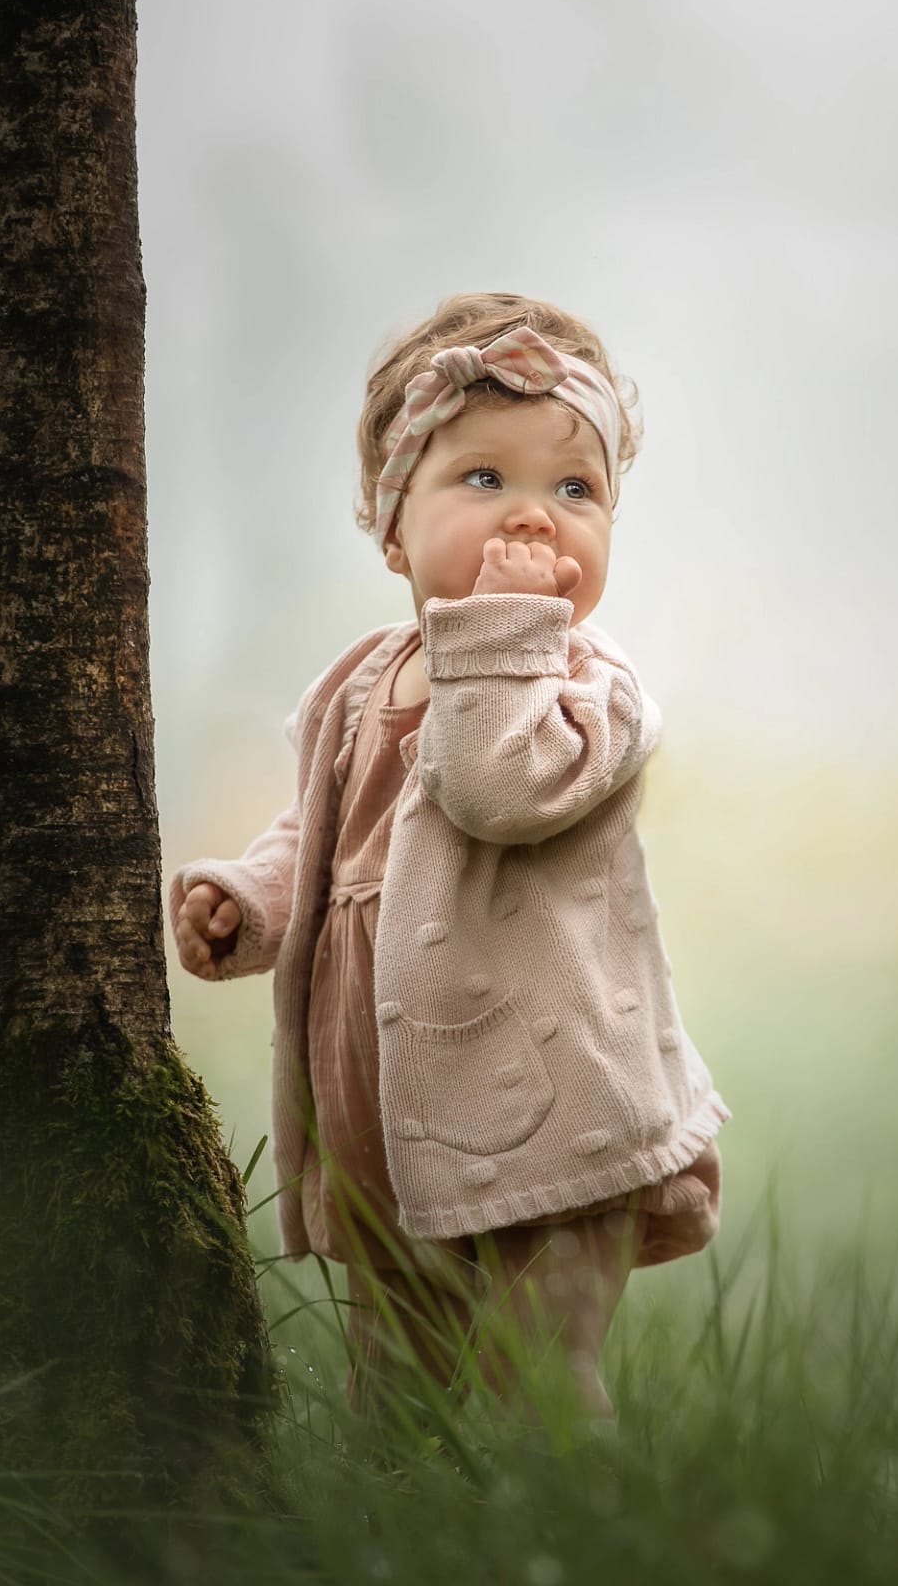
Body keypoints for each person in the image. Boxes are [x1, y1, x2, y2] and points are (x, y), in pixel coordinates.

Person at [170, 291, 731, 1435]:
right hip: (390, 1103)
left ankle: (585, 1571)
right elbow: (328, 831)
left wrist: (502, 633)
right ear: (391, 528)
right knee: (399, 1386)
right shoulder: (361, 679)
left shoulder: (589, 684)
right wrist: (253, 898)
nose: (535, 518)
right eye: (485, 480)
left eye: (574, 491)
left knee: (536, 1374)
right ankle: (410, 1577)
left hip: (551, 1100)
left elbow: (496, 788)